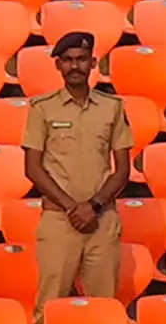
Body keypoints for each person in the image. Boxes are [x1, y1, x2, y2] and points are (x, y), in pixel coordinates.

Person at [24, 29, 133, 305]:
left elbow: (122, 169)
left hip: (101, 218)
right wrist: (73, 208)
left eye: (82, 59)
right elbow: (33, 168)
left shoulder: (112, 108)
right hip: (60, 220)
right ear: (58, 65)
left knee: (103, 306)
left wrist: (93, 206)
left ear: (93, 63)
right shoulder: (42, 108)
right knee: (50, 305)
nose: (75, 66)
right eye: (69, 60)